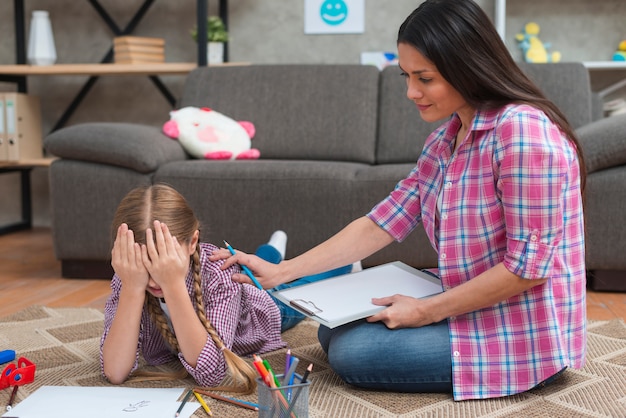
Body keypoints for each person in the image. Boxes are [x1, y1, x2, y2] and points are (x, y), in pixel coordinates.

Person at [210, 0, 587, 401]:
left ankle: (525, 366)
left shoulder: (524, 135)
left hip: (522, 330)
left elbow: (529, 270)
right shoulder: (446, 139)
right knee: (331, 327)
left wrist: (426, 311)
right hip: (471, 301)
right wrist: (283, 271)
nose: (410, 92)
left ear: (468, 67)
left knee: (354, 352)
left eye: (424, 78)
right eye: (407, 76)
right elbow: (382, 222)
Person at [99, 184, 344, 393]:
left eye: (163, 262)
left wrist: (172, 284)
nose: (154, 280)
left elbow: (210, 373)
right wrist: (132, 288)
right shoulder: (129, 275)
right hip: (233, 284)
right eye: (145, 266)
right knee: (261, 262)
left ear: (193, 242)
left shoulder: (219, 273)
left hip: (258, 311)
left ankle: (346, 263)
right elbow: (115, 372)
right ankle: (272, 250)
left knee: (303, 289)